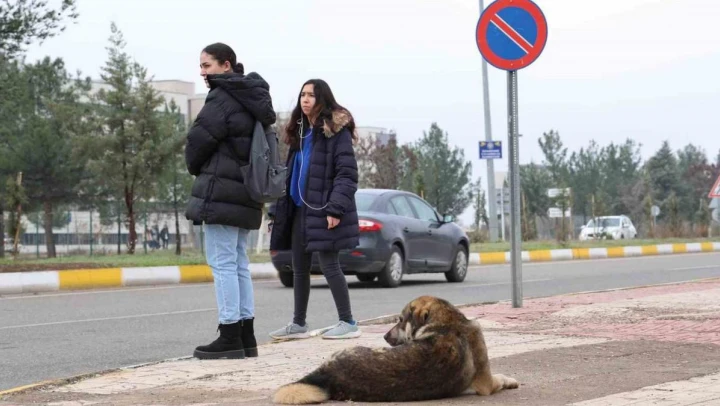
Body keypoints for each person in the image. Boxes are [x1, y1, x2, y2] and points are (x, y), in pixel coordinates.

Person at [184, 42, 276, 359]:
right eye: (201, 66)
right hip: (247, 192)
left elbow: (198, 140)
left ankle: (229, 335)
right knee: (238, 264)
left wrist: (195, 167)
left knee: (223, 264)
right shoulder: (253, 98)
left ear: (226, 65)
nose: (202, 72)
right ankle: (246, 336)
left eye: (206, 65)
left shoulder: (223, 96)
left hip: (222, 192)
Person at [269, 79, 361, 340]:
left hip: (324, 209)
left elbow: (347, 174)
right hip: (299, 209)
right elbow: (289, 175)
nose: (305, 99)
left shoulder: (335, 131)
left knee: (330, 264)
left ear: (322, 99)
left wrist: (335, 209)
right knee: (299, 267)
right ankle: (299, 324)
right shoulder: (300, 132)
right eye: (302, 95)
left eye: (311, 95)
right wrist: (276, 210)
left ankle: (348, 322)